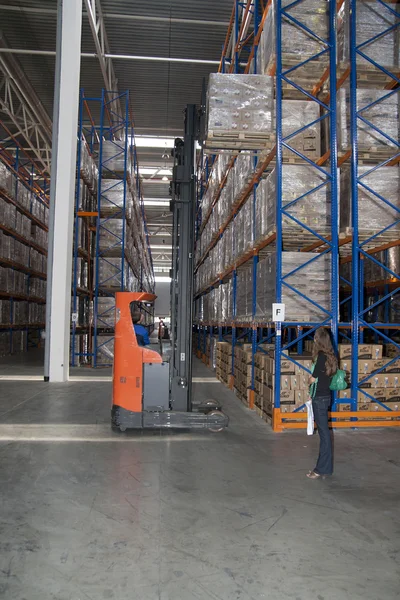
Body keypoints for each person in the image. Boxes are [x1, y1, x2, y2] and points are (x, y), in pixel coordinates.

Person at [307, 328, 338, 480]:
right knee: (324, 433)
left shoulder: (320, 356)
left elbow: (313, 379)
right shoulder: (332, 356)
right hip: (326, 397)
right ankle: (324, 468)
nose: (313, 339)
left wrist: (308, 381)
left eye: (315, 337)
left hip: (319, 399)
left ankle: (321, 469)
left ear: (318, 340)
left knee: (324, 434)